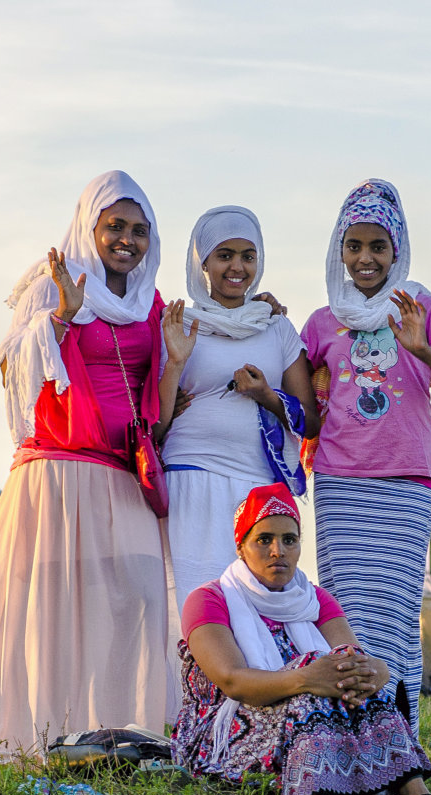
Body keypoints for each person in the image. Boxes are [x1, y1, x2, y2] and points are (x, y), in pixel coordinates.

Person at [0, 171, 192, 767]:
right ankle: (30, 743)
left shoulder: (152, 303)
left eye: (139, 230)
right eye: (115, 226)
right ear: (90, 225)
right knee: (52, 608)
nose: (127, 240)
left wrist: (177, 363)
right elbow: (15, 375)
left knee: (136, 601)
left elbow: (154, 400)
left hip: (120, 475)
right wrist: (62, 314)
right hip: (55, 474)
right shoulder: (51, 284)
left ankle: (112, 738)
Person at [171, 483, 431, 795]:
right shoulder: (209, 598)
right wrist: (305, 678)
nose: (277, 551)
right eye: (263, 540)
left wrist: (376, 673)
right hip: (227, 729)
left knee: (345, 667)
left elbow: (356, 660)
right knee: (316, 668)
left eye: (289, 539)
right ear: (241, 547)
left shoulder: (314, 598)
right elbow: (232, 681)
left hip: (307, 715)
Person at [303, 179, 431, 733]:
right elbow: (302, 402)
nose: (365, 258)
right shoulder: (319, 322)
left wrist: (423, 349)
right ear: (339, 248)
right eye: (354, 245)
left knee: (394, 614)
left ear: (398, 249)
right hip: (338, 483)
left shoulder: (423, 308)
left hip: (406, 483)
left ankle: (395, 737)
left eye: (378, 247)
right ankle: (346, 737)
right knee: (344, 618)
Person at [161, 206, 319, 603]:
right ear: (204, 262)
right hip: (189, 479)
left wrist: (266, 396)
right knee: (189, 602)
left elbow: (311, 421)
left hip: (256, 490)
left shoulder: (276, 326)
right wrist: (175, 364)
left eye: (248, 256)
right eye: (224, 255)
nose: (237, 267)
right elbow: (156, 424)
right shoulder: (177, 323)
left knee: (251, 604)